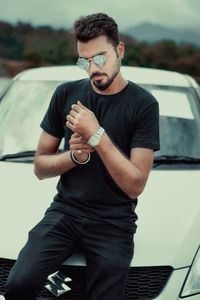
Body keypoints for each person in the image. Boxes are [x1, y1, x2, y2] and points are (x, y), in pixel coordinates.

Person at [4, 13, 160, 300]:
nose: (92, 69)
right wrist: (74, 157)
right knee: (17, 285)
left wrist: (97, 136)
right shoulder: (66, 94)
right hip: (65, 211)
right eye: (83, 61)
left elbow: (135, 184)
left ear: (120, 50)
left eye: (99, 58)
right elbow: (40, 166)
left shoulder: (144, 105)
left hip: (114, 220)